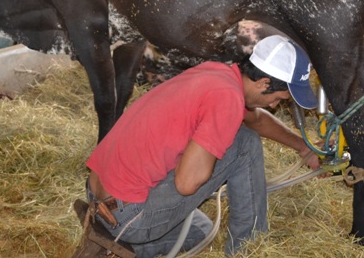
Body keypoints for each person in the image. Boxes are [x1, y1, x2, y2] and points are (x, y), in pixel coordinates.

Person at [85, 35, 320, 256]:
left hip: (98, 196)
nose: (274, 106)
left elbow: (255, 118)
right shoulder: (228, 99)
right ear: (263, 82)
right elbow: (187, 183)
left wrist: (302, 145)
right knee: (245, 144)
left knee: (201, 231)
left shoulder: (218, 73)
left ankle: (112, 250)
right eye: (278, 99)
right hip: (129, 215)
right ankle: (250, 250)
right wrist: (216, 160)